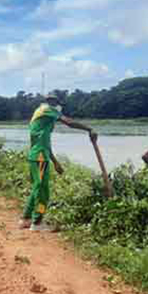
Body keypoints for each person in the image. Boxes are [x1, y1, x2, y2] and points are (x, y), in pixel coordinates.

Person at [19, 93, 96, 232]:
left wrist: (55, 162)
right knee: (43, 191)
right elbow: (69, 122)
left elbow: (44, 143)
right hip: (40, 157)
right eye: (56, 103)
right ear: (52, 102)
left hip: (37, 156)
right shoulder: (48, 110)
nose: (58, 107)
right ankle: (37, 223)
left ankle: (26, 219)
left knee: (37, 188)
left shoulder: (40, 115)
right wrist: (89, 129)